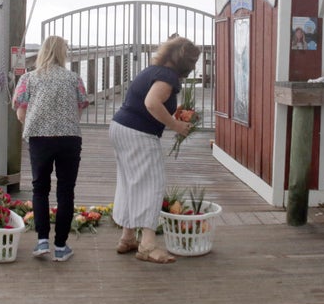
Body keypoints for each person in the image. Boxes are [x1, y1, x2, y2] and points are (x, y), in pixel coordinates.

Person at [109, 34, 202, 264]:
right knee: (152, 183)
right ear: (185, 63)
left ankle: (127, 236)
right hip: (139, 133)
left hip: (121, 127)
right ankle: (148, 245)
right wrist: (176, 125)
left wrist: (175, 112)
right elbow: (152, 103)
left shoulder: (152, 71)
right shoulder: (167, 77)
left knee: (130, 182)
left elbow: (151, 102)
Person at [13, 36, 90, 262]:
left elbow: (20, 112)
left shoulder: (29, 79)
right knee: (66, 190)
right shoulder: (74, 79)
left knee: (40, 188)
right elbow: (79, 109)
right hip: (69, 138)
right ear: (62, 53)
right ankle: (61, 246)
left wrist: (36, 121)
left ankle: (42, 241)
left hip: (40, 138)